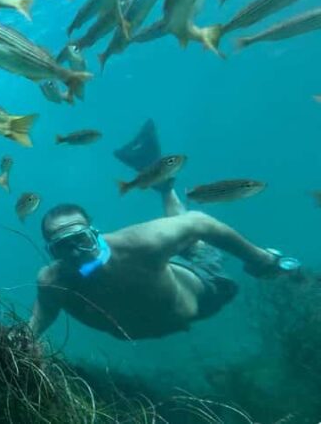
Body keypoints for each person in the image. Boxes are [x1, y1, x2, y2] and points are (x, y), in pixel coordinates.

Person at [30, 120, 301, 340]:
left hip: (203, 286)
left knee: (194, 244)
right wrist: (25, 341)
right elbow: (44, 313)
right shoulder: (53, 281)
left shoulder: (139, 244)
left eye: (81, 239)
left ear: (95, 233)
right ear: (51, 252)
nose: (76, 252)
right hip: (163, 292)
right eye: (63, 247)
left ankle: (164, 183)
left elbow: (200, 223)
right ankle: (157, 177)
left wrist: (260, 259)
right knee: (182, 241)